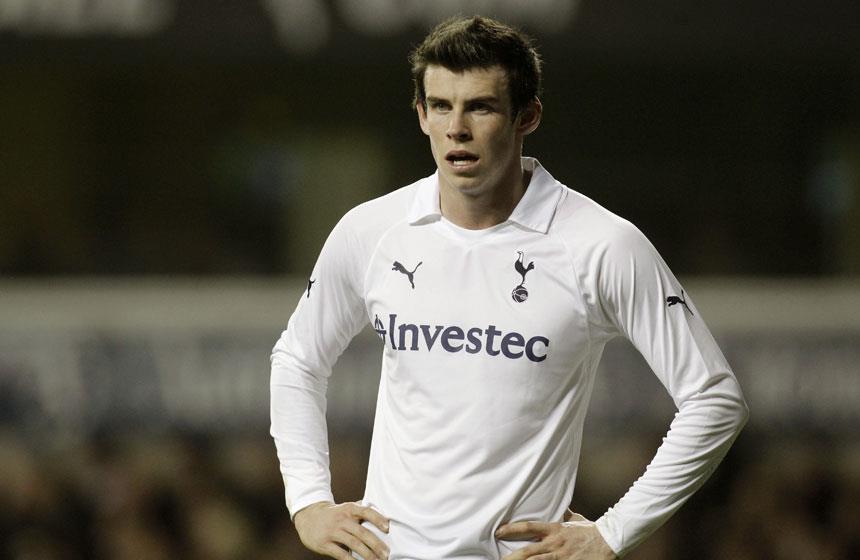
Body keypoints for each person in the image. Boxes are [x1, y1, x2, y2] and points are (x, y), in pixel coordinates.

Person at [270, 15, 748, 560]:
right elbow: (297, 360)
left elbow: (715, 398)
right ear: (421, 115)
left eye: (480, 107)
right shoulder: (372, 231)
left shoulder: (600, 245)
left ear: (528, 116)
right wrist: (308, 501)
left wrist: (613, 533)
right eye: (441, 106)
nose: (457, 128)